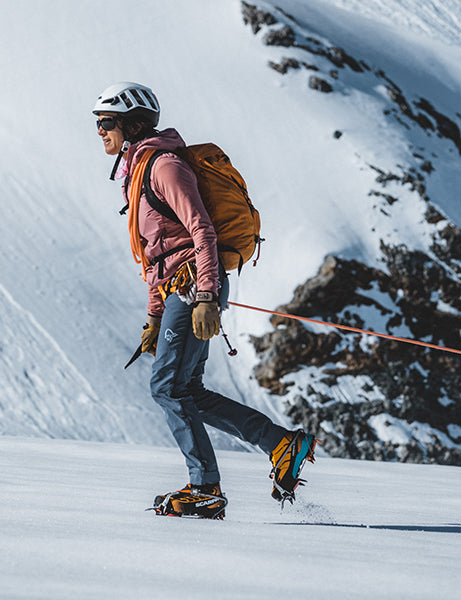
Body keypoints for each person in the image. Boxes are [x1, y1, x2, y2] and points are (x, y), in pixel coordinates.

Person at [93, 82, 315, 519]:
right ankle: (280, 444)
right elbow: (157, 254)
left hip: (194, 288)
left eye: (106, 123)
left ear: (131, 124)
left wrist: (207, 296)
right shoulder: (140, 171)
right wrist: (155, 318)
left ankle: (205, 488)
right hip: (181, 289)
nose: (100, 132)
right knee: (186, 389)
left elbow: (201, 232)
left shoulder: (164, 166)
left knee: (167, 386)